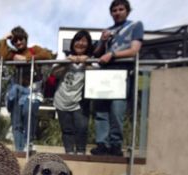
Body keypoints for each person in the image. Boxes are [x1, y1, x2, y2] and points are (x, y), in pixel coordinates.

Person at [90, 0, 144, 156]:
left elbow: (134, 50)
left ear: (127, 11)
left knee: (116, 110)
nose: (117, 12)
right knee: (101, 111)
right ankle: (102, 144)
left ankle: (115, 145)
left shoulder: (135, 26)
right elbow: (97, 53)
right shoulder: (107, 30)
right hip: (105, 73)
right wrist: (102, 40)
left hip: (122, 72)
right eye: (114, 10)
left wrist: (113, 54)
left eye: (121, 9)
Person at [0, 26, 54, 152]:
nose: (18, 42)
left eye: (21, 39)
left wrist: (27, 59)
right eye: (15, 41)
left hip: (33, 90)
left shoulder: (34, 49)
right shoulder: (13, 54)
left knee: (28, 112)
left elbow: (47, 55)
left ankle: (28, 142)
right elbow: (2, 56)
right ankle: (19, 150)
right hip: (17, 90)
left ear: (25, 39)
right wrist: (4, 39)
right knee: (16, 121)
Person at [52, 30, 93, 155]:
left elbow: (96, 75)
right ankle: (69, 153)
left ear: (89, 44)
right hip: (62, 100)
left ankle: (80, 153)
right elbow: (54, 73)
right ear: (73, 43)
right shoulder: (63, 56)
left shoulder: (91, 59)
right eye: (78, 40)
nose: (80, 43)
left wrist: (86, 63)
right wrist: (67, 62)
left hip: (79, 102)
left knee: (82, 128)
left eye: (84, 41)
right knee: (67, 130)